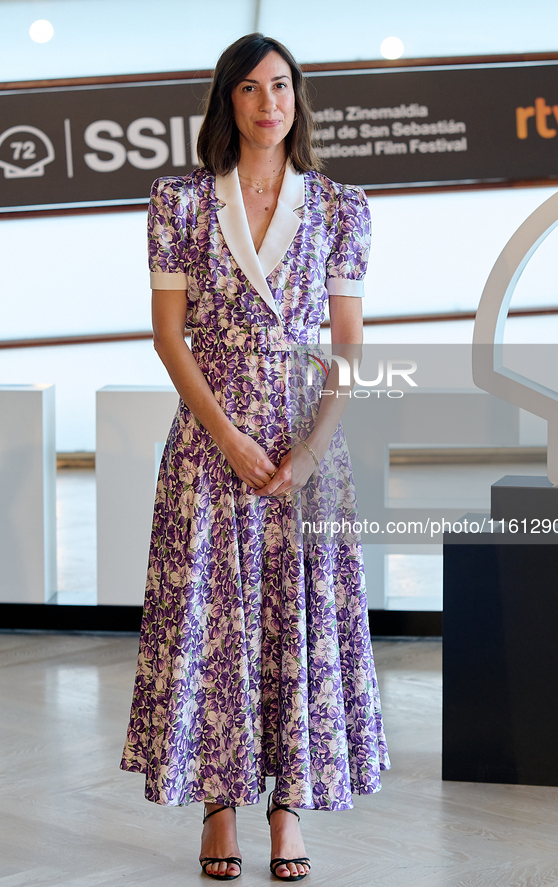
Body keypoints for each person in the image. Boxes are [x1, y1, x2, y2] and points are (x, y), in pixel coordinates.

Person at [120, 32, 390, 882]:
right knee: (214, 617)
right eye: (248, 88)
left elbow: (346, 344)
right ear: (225, 102)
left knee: (297, 620)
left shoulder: (342, 206)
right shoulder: (180, 200)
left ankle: (289, 808)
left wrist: (311, 450)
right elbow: (169, 337)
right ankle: (218, 807)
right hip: (210, 438)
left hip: (305, 444)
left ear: (297, 97)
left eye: (280, 86)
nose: (267, 103)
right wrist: (227, 434)